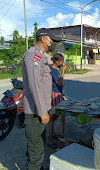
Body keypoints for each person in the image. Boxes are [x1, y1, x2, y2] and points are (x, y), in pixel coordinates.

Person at [22, 28, 61, 170]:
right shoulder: (33, 55)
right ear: (44, 39)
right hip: (35, 111)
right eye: (52, 41)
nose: (53, 44)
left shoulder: (41, 55)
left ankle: (37, 166)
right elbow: (34, 85)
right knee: (36, 146)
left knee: (37, 144)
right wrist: (41, 110)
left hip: (41, 109)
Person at [48, 53, 66, 149]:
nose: (62, 64)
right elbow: (59, 82)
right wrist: (63, 70)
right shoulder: (52, 70)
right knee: (52, 117)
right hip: (54, 94)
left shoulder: (55, 70)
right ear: (57, 61)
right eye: (61, 62)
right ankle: (50, 140)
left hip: (58, 93)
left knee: (56, 115)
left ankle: (53, 134)